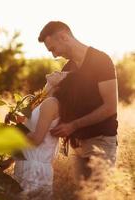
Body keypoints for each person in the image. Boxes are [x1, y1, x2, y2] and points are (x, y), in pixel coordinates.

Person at [38, 21, 118, 184]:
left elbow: (110, 107)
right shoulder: (67, 68)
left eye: (53, 49)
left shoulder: (101, 60)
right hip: (79, 146)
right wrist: (50, 85)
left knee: (99, 194)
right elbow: (51, 105)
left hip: (100, 141)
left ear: (63, 37)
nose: (54, 55)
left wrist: (73, 126)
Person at [2, 71, 69, 199]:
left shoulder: (51, 103)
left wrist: (14, 131)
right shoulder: (42, 101)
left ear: (62, 85)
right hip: (26, 164)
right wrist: (11, 160)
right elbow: (29, 131)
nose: (58, 71)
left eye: (62, 74)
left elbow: (37, 138)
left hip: (35, 169)